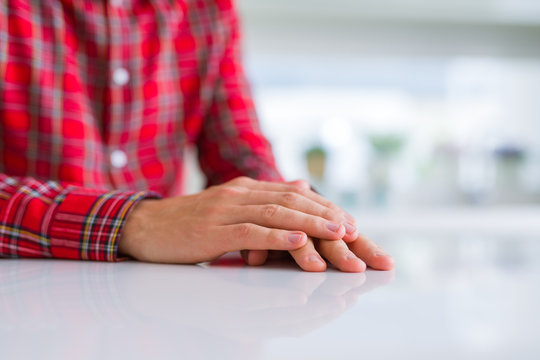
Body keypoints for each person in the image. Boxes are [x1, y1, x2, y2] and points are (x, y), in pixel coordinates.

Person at [0, 0, 393, 272]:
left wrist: (288, 218)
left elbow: (241, 153)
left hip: (155, 310)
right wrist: (137, 222)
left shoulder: (206, 9)